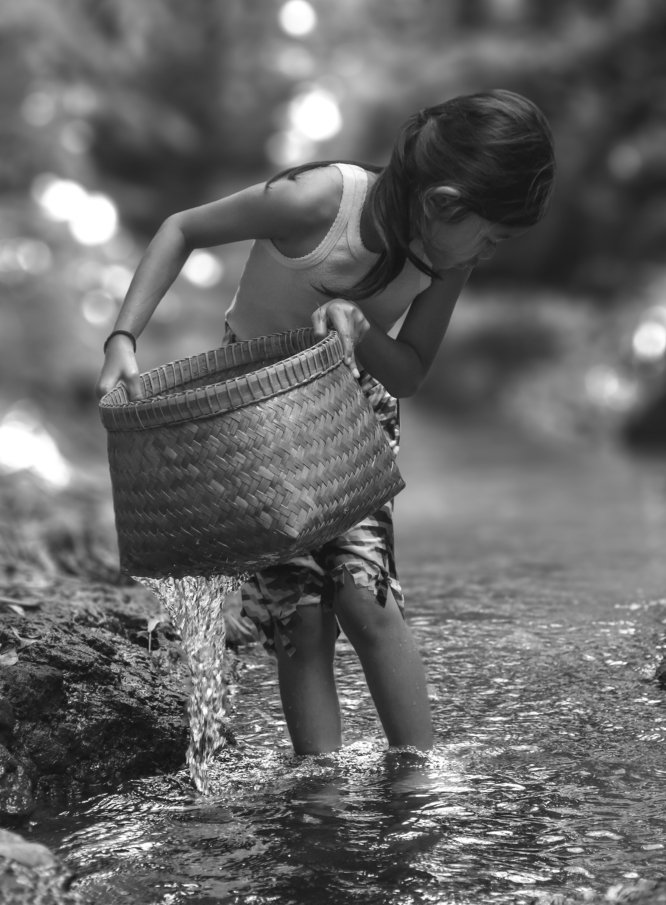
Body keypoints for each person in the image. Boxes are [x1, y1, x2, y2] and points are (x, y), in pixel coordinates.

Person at [96, 89, 555, 757]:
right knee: (299, 619)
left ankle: (418, 769)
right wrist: (122, 337)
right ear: (443, 202)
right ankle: (318, 782)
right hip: (248, 413)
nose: (488, 251)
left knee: (363, 596)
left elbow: (408, 374)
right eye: (491, 233)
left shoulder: (448, 261)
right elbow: (182, 228)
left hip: (350, 405)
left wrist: (361, 330)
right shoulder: (316, 203)